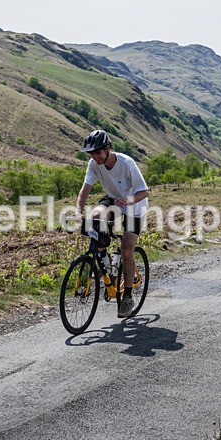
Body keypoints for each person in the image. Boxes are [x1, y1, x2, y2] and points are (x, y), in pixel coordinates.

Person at [76, 130, 150, 318]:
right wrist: (78, 211)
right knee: (94, 217)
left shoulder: (126, 163)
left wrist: (128, 201)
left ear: (107, 149)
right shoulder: (93, 164)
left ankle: (127, 296)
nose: (95, 157)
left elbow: (144, 192)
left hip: (135, 204)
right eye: (91, 154)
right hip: (113, 199)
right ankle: (106, 259)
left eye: (98, 153)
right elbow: (85, 190)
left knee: (126, 250)